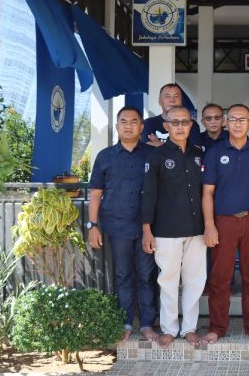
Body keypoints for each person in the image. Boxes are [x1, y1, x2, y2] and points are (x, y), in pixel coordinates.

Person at [201, 104, 249, 345]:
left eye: (243, 120)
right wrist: (209, 225)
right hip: (223, 222)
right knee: (220, 277)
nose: (238, 124)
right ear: (225, 122)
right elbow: (207, 193)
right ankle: (217, 327)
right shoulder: (214, 152)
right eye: (233, 119)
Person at [88, 107, 158, 343]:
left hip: (148, 227)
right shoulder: (105, 156)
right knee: (123, 276)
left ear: (141, 127)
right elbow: (96, 194)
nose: (128, 126)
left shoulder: (152, 155)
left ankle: (148, 324)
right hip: (117, 226)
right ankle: (126, 323)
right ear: (117, 126)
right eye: (123, 121)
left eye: (134, 121)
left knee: (147, 276)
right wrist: (92, 225)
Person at [141, 106, 206, 349]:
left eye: (184, 122)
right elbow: (148, 194)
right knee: (167, 280)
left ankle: (189, 328)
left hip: (196, 229)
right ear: (166, 126)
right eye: (174, 122)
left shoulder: (199, 154)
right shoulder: (156, 157)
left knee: (195, 280)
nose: (180, 127)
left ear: (191, 125)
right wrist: (146, 229)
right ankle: (169, 328)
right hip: (165, 229)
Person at [142, 83, 202, 147]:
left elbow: (194, 152)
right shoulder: (149, 123)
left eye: (176, 96)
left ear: (181, 100)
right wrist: (181, 147)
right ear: (160, 101)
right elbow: (147, 148)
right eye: (167, 96)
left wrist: (159, 144)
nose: (172, 100)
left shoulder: (190, 124)